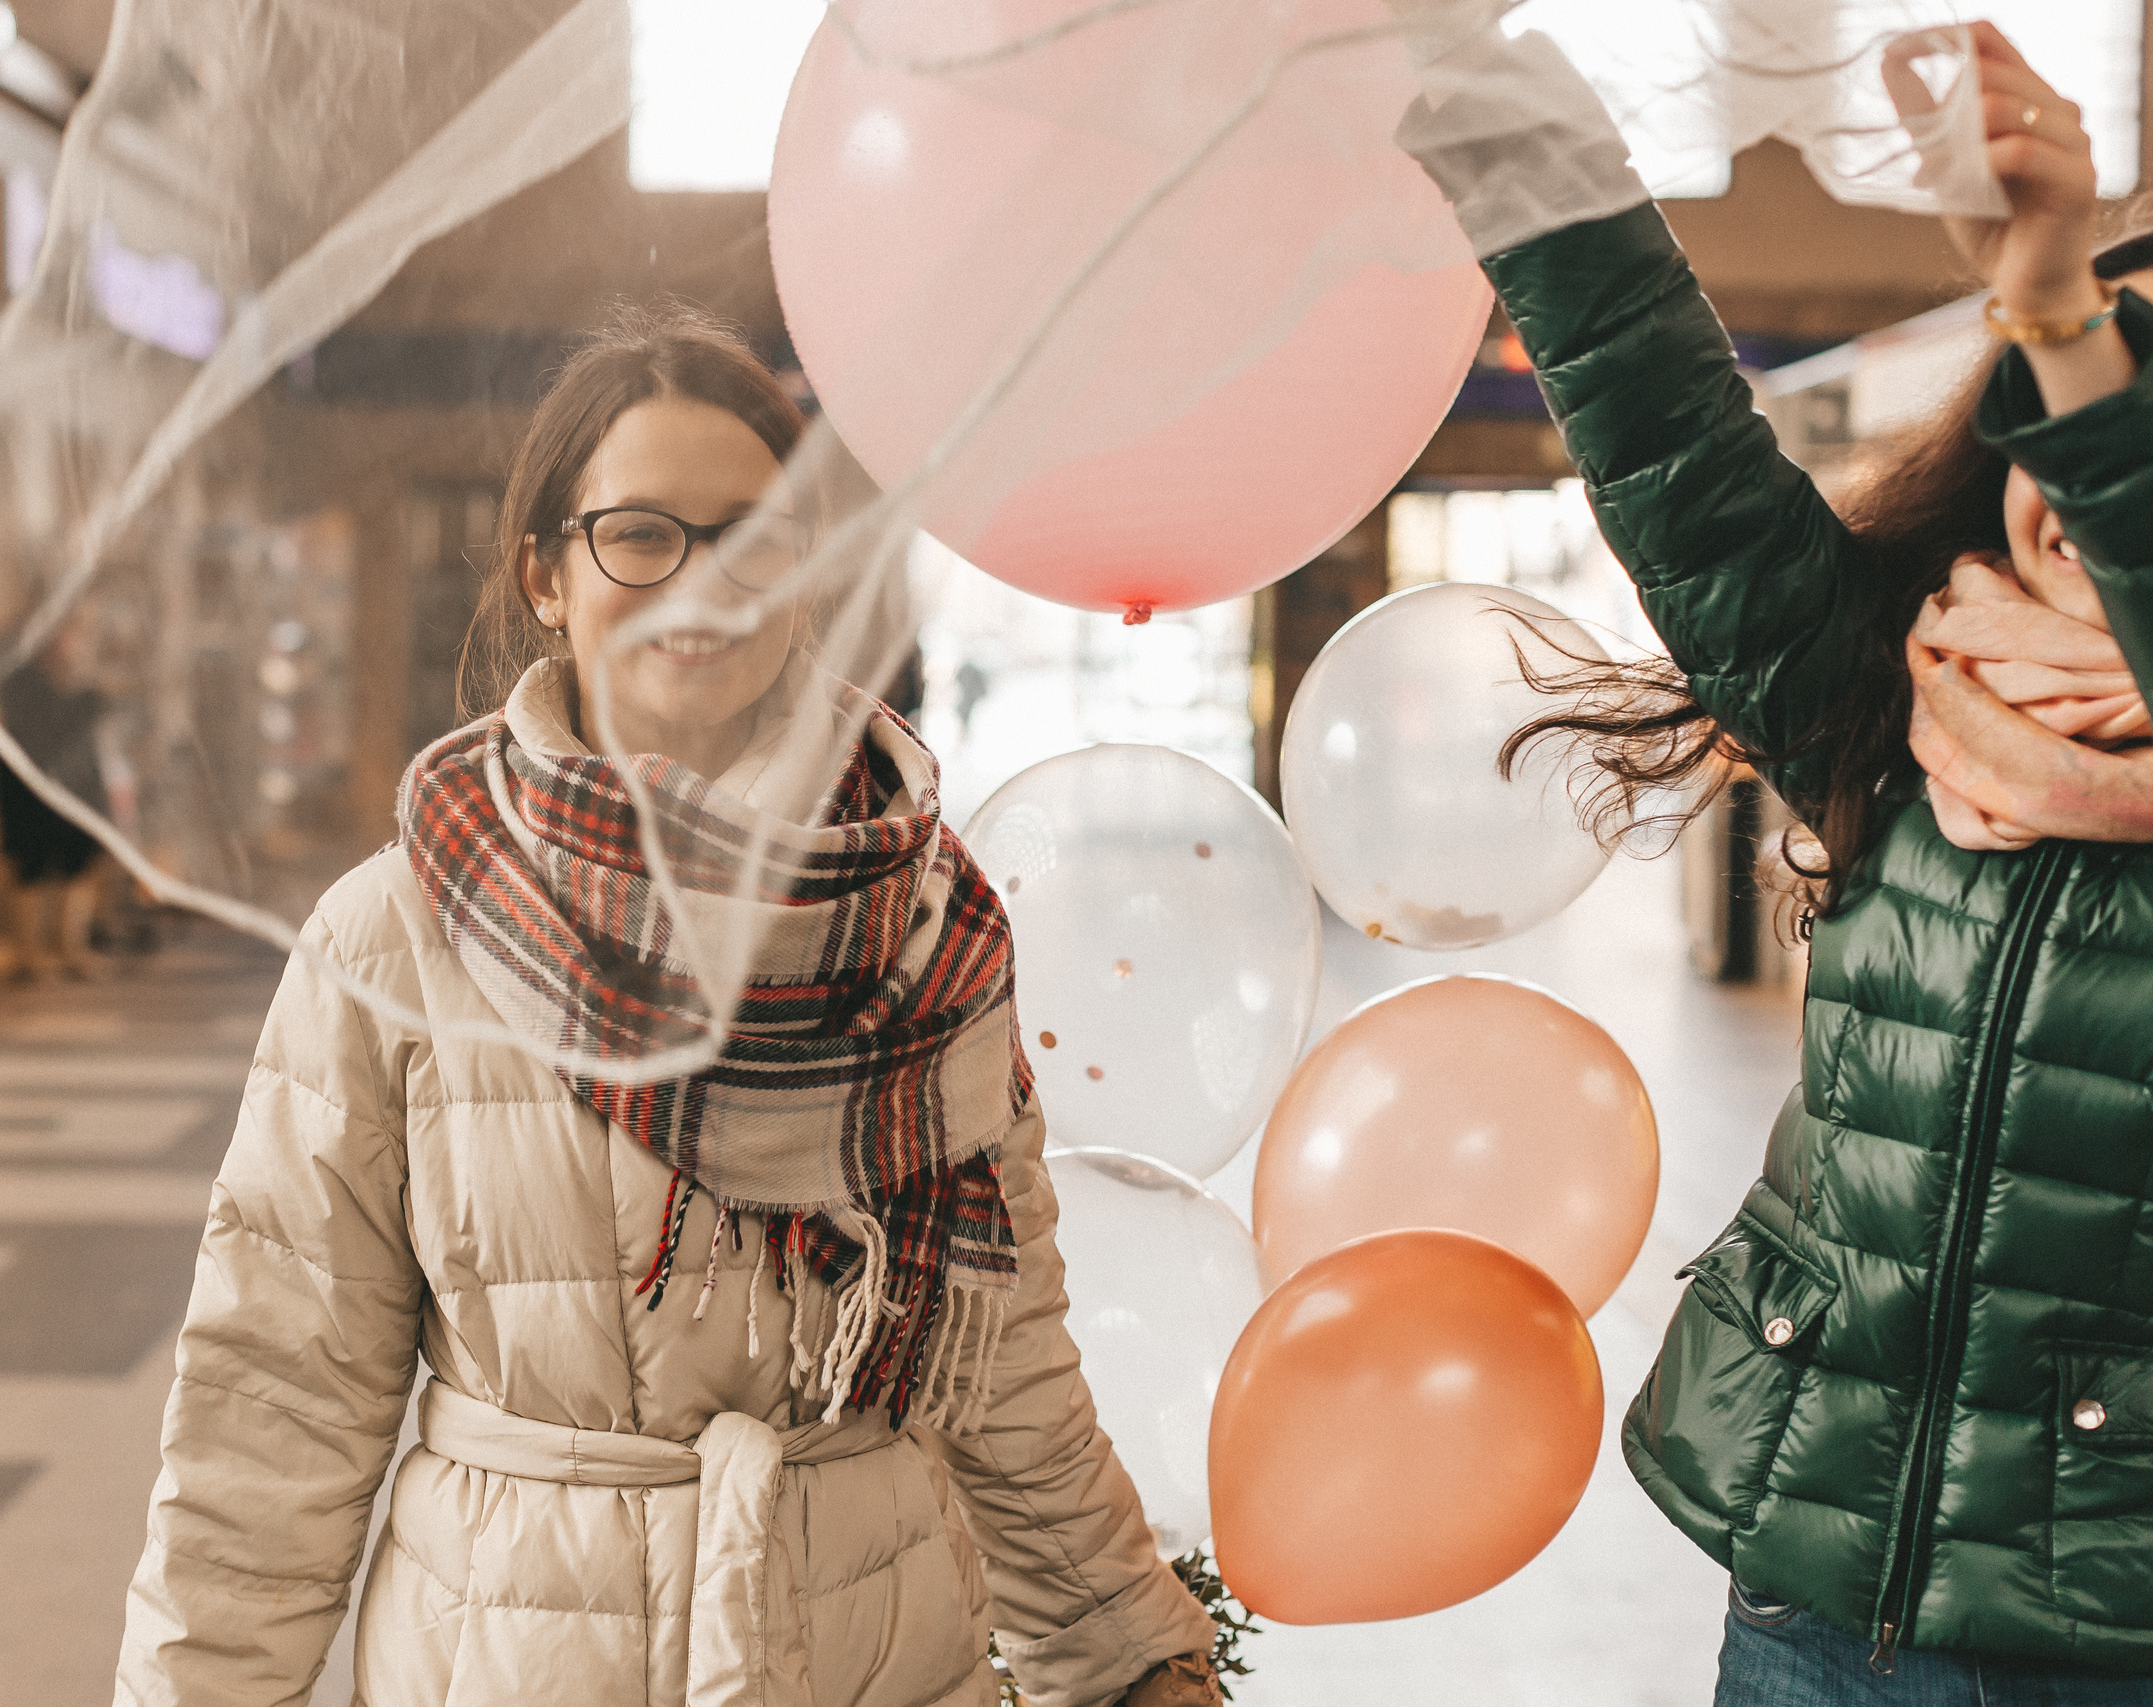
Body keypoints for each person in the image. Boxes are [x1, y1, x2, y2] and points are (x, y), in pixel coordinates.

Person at [113, 306, 1220, 1707]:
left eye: (748, 540)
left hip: (875, 1652)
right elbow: (276, 1406)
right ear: (547, 575)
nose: (698, 586)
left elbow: (1003, 1374)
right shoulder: (395, 935)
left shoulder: (926, 927)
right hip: (512, 1654)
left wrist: (1130, 1661)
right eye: (640, 534)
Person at [1402, 19, 2153, 1700]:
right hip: (1816, 1582)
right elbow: (1683, 453)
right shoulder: (1909, 691)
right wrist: (1512, 120)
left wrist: (2055, 300)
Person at [0, 617, 109, 981]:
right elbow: (49, 723)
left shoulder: (64, 673)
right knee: (33, 864)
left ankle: (67, 946)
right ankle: (30, 953)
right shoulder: (18, 676)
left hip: (69, 783)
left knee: (74, 860)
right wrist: (89, 701)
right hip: (28, 782)